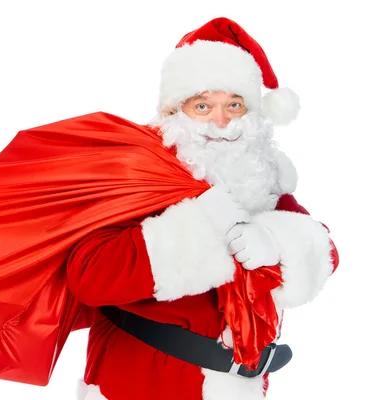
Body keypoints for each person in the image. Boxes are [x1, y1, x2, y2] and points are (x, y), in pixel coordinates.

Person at [67, 17, 339, 400]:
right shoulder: (136, 175)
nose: (221, 120)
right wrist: (208, 234)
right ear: (174, 112)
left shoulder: (261, 181)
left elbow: (326, 252)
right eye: (202, 105)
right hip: (138, 380)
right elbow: (90, 277)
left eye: (234, 104)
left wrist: (276, 244)